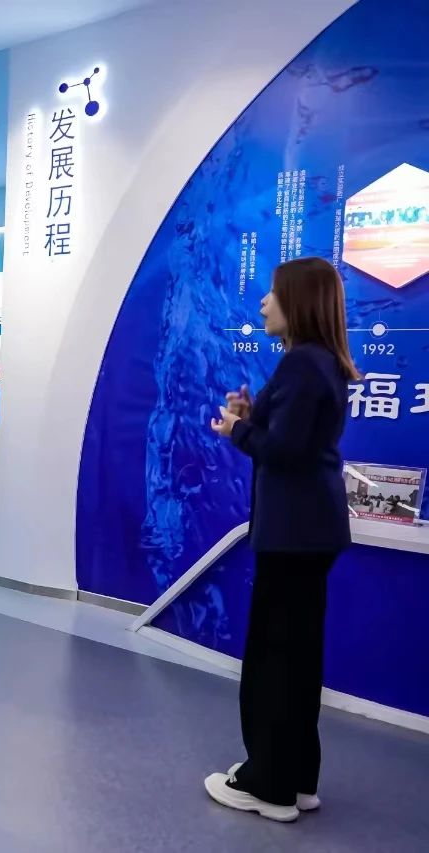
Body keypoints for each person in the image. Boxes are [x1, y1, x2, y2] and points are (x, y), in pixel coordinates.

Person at [206, 257, 359, 822]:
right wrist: (252, 419)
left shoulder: (302, 364)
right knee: (297, 656)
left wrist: (238, 430)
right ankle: (297, 779)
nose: (264, 303)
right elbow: (295, 439)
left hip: (292, 533)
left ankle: (268, 787)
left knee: (273, 658)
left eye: (273, 293)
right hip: (311, 531)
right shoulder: (321, 362)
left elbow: (285, 453)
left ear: (297, 301)